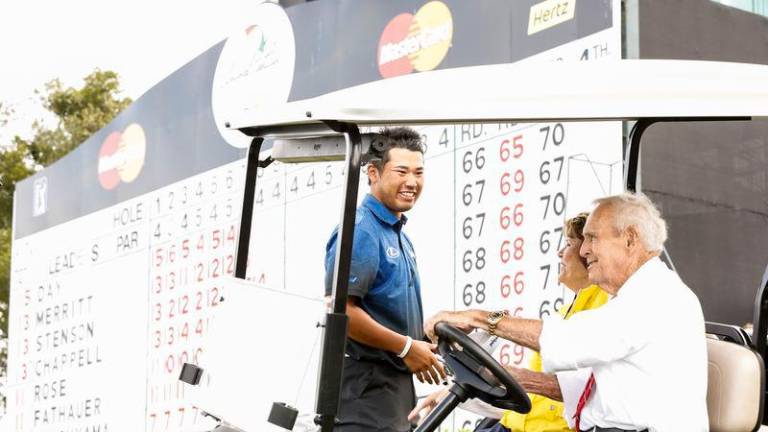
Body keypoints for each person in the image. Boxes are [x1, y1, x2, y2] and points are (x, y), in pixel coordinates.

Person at [424, 192, 709, 431]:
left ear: (630, 239)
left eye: (592, 238)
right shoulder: (630, 297)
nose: (584, 250)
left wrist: (480, 319)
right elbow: (585, 387)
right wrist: (504, 376)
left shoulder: (655, 296)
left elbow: (570, 341)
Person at [410, 213, 610, 432]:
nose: (560, 253)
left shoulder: (603, 306)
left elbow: (566, 390)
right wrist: (460, 394)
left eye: (569, 244)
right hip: (513, 426)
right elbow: (529, 401)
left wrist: (480, 319)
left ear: (590, 253)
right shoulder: (563, 314)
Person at [324, 127, 446, 432]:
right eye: (401, 171)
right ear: (373, 173)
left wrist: (425, 339)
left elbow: (388, 312)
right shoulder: (363, 231)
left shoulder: (398, 235)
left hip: (392, 393)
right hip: (365, 397)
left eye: (419, 172)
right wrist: (406, 347)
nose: (412, 182)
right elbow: (342, 312)